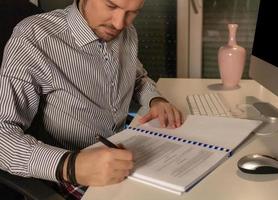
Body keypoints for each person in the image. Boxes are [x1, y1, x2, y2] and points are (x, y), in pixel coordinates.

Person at [0, 0, 182, 199]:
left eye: (132, 12)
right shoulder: (33, 37)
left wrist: (155, 100)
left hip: (121, 154)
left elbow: (137, 77)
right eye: (111, 6)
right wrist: (70, 166)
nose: (120, 23)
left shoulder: (127, 33)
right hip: (69, 171)